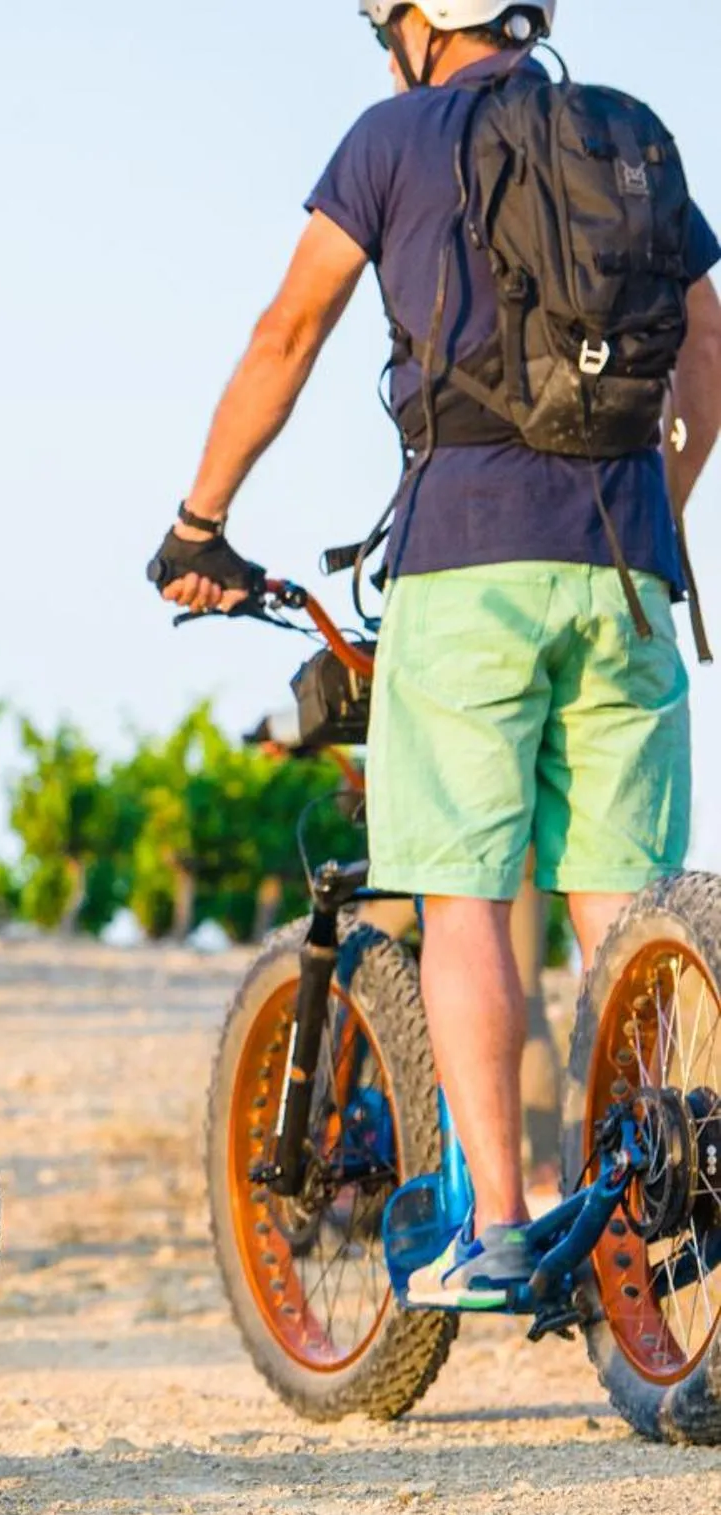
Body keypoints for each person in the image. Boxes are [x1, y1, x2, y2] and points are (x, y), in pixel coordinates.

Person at [151, 2, 721, 1306]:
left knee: (463, 893)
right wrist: (655, 521)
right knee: (620, 905)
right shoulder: (628, 131)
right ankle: (650, 1194)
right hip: (624, 557)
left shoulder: (390, 137)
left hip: (467, 557)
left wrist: (201, 519)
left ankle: (506, 1229)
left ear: (414, 23)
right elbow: (708, 346)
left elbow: (287, 334)